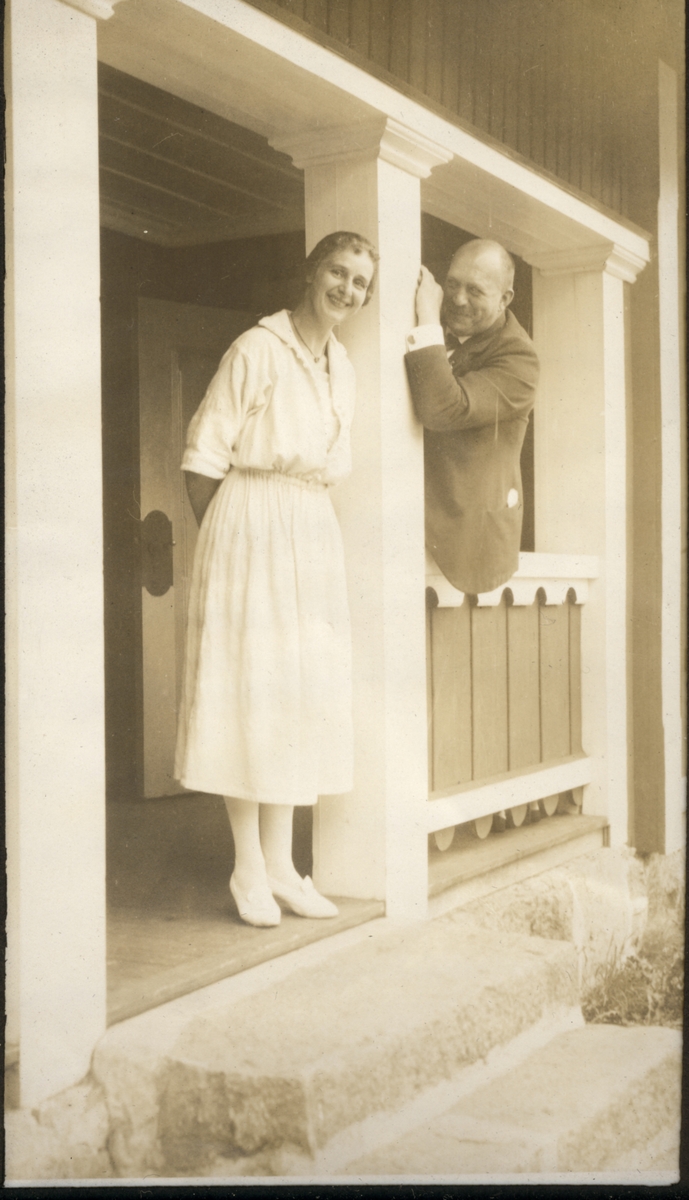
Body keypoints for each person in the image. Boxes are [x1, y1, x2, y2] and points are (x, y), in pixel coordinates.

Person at [175, 231, 378, 927]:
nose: (347, 290)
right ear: (309, 272)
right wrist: (232, 546)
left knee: (300, 695)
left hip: (310, 526)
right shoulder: (256, 348)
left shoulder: (341, 367)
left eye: (360, 282)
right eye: (338, 273)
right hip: (252, 522)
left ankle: (286, 867)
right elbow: (202, 460)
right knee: (251, 690)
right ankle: (247, 869)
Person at [404, 238, 539, 596]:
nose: (459, 299)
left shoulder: (519, 358)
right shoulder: (430, 326)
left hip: (467, 545)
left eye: (475, 290)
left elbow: (444, 409)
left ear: (505, 298)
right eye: (452, 285)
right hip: (406, 525)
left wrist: (429, 319)